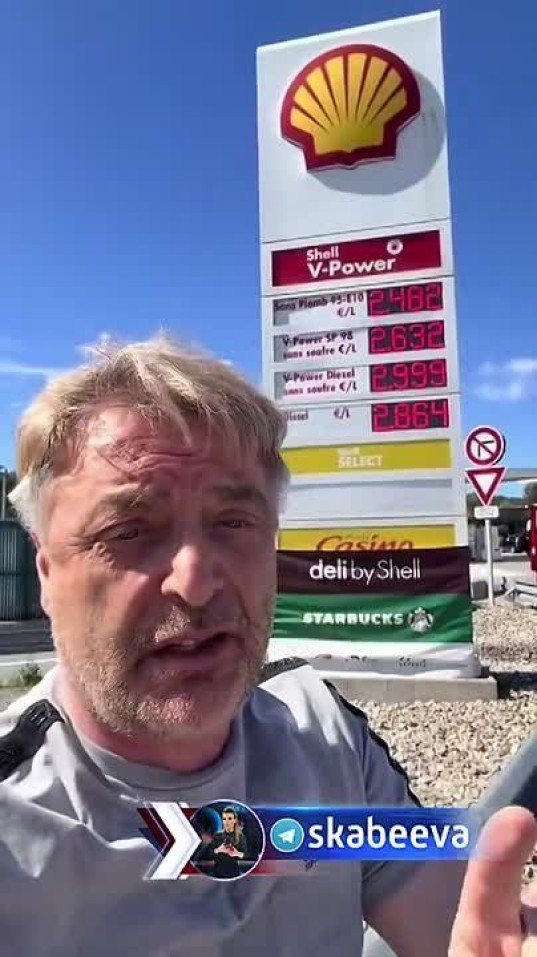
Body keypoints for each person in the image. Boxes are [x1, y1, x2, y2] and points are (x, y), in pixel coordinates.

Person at [0, 334, 477, 955]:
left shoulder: (325, 735)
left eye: (234, 523)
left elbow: (467, 926)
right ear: (46, 573)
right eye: (128, 530)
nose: (195, 582)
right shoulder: (14, 821)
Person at [197, 806, 248, 880]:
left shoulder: (241, 837)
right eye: (224, 819)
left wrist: (237, 853)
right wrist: (218, 850)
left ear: (234, 820)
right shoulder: (217, 836)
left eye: (230, 818)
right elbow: (208, 853)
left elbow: (247, 855)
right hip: (217, 872)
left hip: (234, 873)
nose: (227, 821)